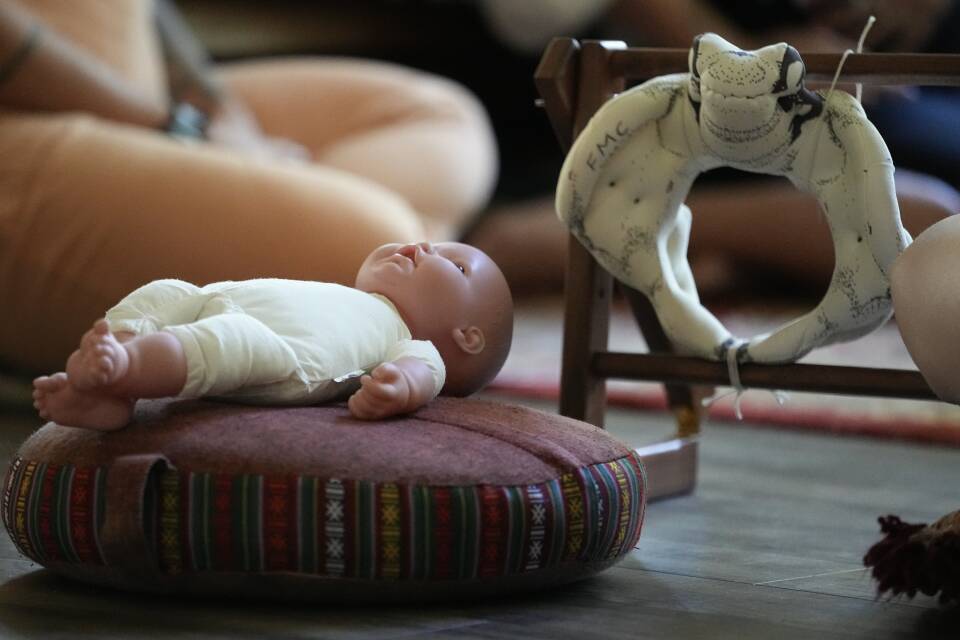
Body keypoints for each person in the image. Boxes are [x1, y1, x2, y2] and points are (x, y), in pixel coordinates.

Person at [0, 0, 497, 375]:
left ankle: (440, 261)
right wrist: (176, 129)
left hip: (137, 88)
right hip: (27, 118)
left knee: (444, 120)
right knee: (377, 246)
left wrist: (220, 114)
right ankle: (463, 265)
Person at [31, 241, 514, 430]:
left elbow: (424, 371)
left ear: (466, 336)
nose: (423, 245)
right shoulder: (354, 300)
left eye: (455, 264)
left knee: (224, 343)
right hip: (218, 298)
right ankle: (109, 375)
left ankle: (125, 369)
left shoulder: (411, 340)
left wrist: (400, 385)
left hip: (276, 350)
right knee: (166, 292)